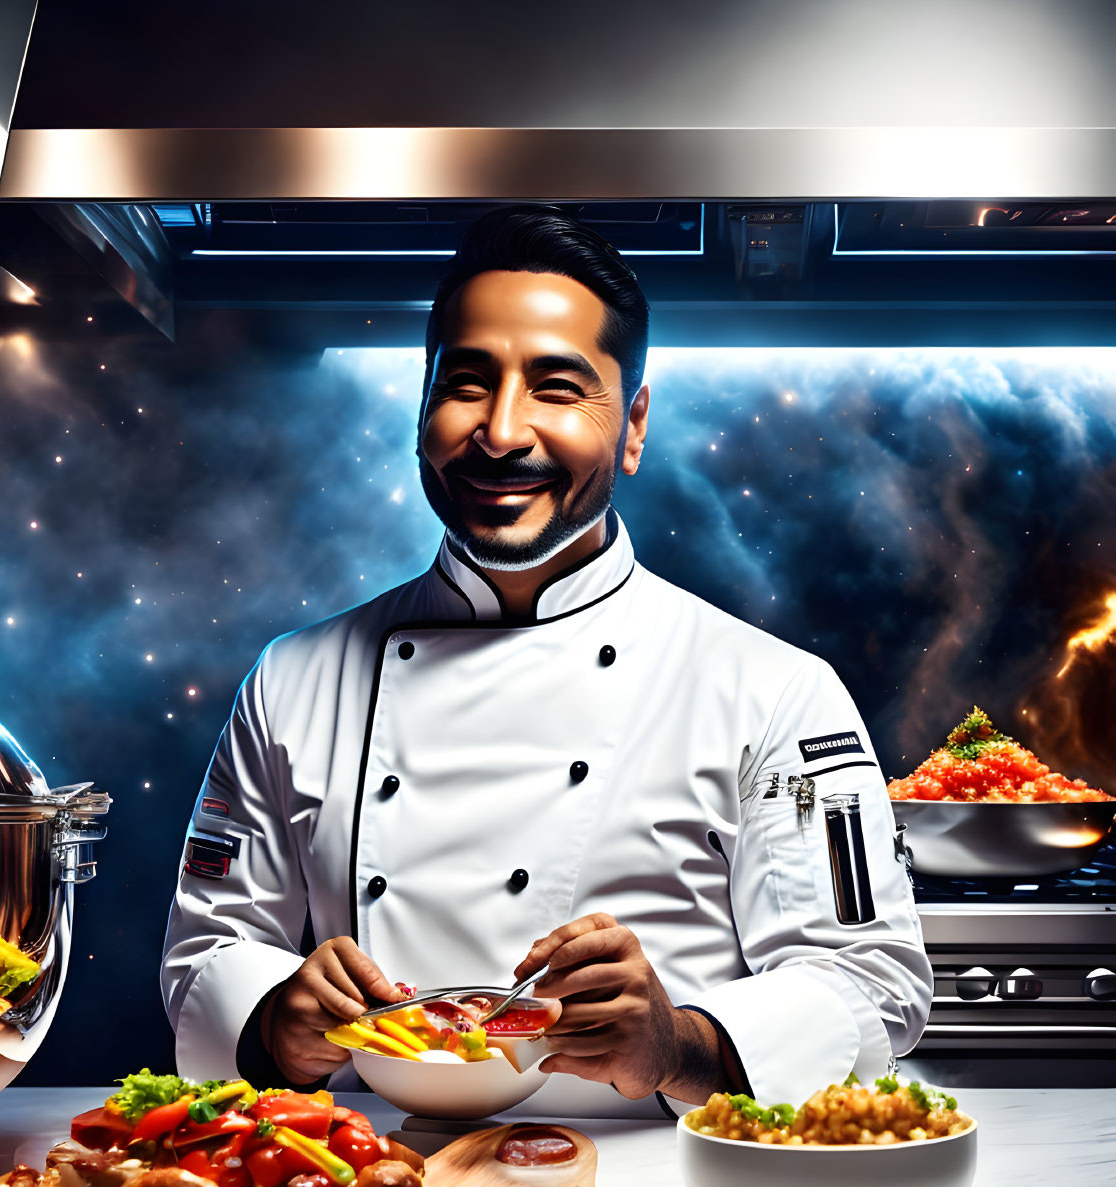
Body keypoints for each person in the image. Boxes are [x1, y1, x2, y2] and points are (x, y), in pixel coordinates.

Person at [160, 205, 931, 1115]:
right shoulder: (292, 680)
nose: (500, 432)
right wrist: (272, 1023)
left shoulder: (772, 692)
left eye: (556, 388)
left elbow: (869, 978)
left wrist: (675, 1044)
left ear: (632, 426)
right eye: (466, 382)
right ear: (421, 410)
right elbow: (207, 952)